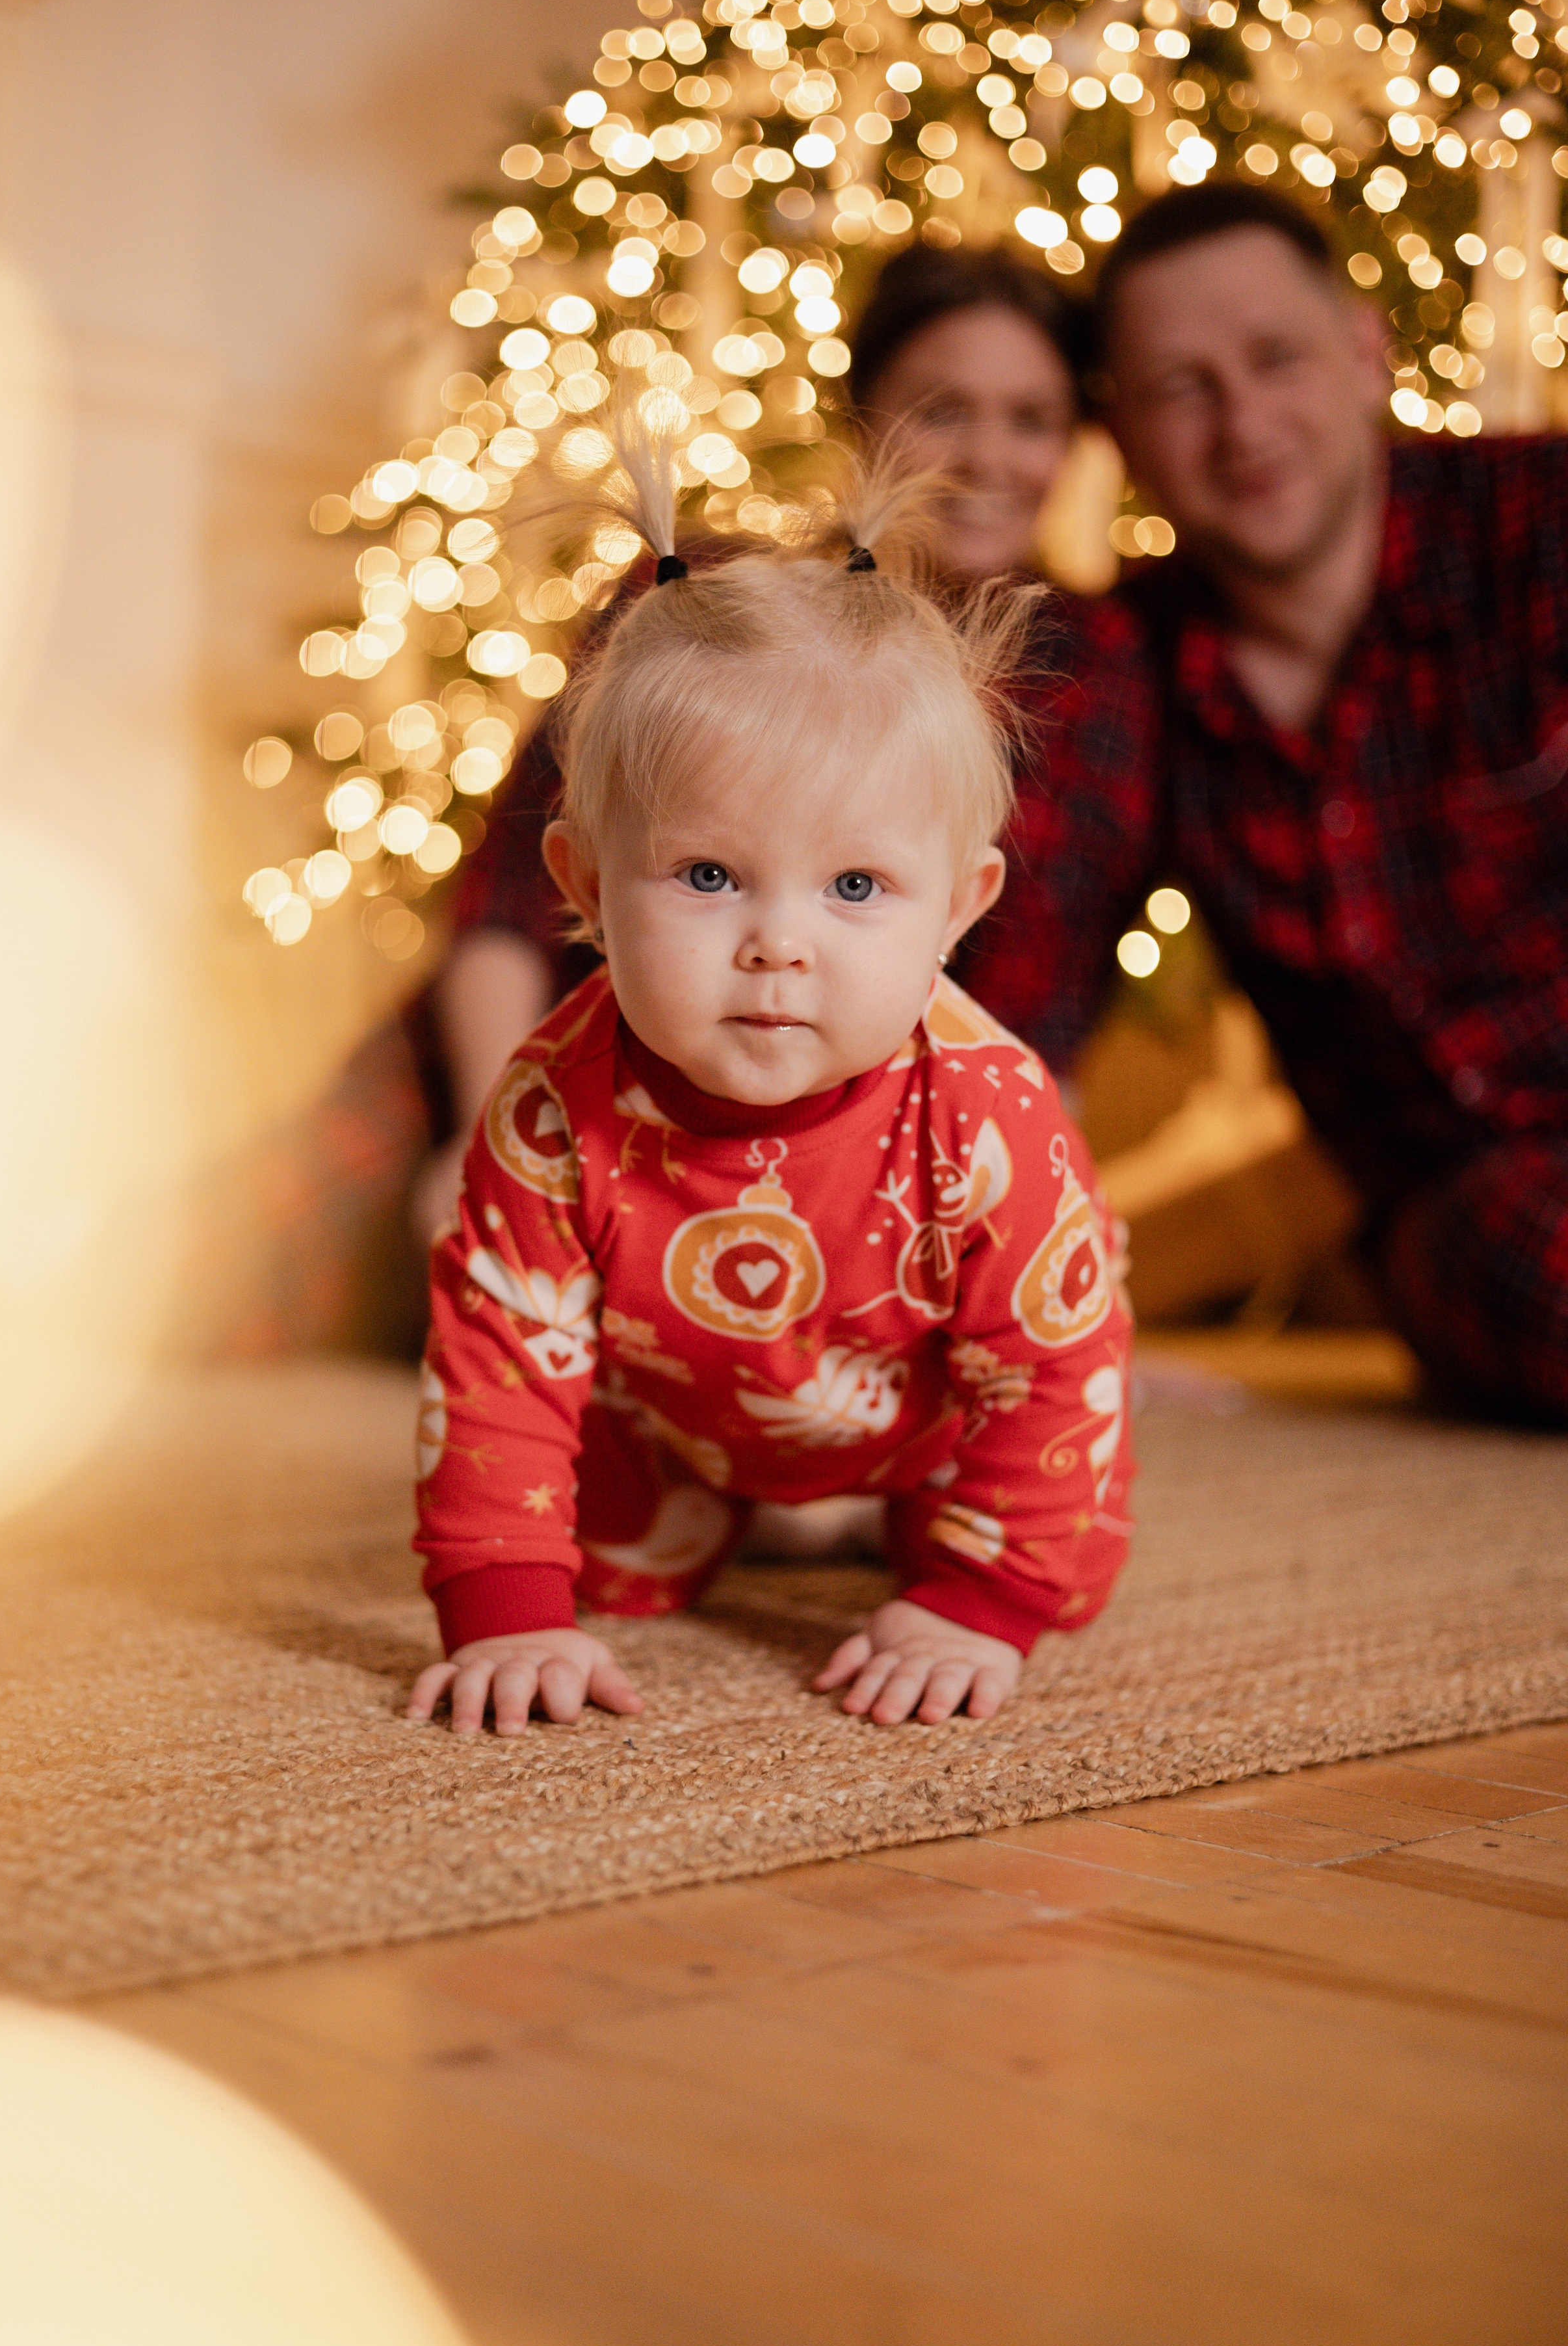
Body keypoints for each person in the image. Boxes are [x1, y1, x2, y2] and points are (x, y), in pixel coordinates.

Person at [405, 428, 1134, 1736]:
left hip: (930, 1426)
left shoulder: (990, 1113)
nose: (778, 944)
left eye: (855, 885)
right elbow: (503, 1360)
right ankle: (749, 1512)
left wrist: (985, 1600)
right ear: (583, 886)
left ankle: (898, 1530)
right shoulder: (551, 1107)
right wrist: (504, 1608)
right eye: (708, 876)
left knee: (1018, 1533)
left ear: (956, 909)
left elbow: (1051, 1365)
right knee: (598, 1568)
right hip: (674, 1416)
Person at [421, 242, 1154, 1235]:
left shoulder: (1092, 673)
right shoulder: (695, 597)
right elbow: (511, 894)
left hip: (868, 1156)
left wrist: (1033, 1213)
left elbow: (1042, 1007)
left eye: (1032, 419)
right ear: (864, 417)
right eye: (943, 410)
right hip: (562, 1083)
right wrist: (490, 1137)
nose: (988, 456)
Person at [1084, 179, 1568, 1426]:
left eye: (1276, 358)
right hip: (1472, 1222)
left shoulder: (1541, 523)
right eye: (1183, 387)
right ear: (1123, 432)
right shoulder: (1127, 672)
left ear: (1365, 355)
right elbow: (1020, 997)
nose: (1244, 424)